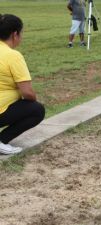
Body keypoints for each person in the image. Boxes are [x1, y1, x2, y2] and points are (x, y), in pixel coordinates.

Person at [0, 14, 45, 155]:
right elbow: (27, 93)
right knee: (37, 110)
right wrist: (32, 99)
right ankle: (2, 140)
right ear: (15, 34)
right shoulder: (13, 56)